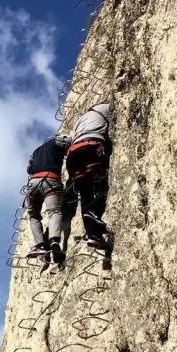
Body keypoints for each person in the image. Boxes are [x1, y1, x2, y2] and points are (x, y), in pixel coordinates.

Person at [65, 102, 112, 255]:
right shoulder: (103, 109)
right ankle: (94, 212)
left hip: (73, 155)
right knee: (101, 185)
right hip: (90, 146)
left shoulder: (80, 120)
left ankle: (93, 235)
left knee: (85, 194)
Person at [23, 134, 70, 265]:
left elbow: (29, 169)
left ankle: (40, 245)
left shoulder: (35, 152)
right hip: (50, 179)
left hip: (32, 184)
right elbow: (69, 142)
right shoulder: (56, 141)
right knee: (54, 211)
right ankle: (54, 241)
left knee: (33, 216)